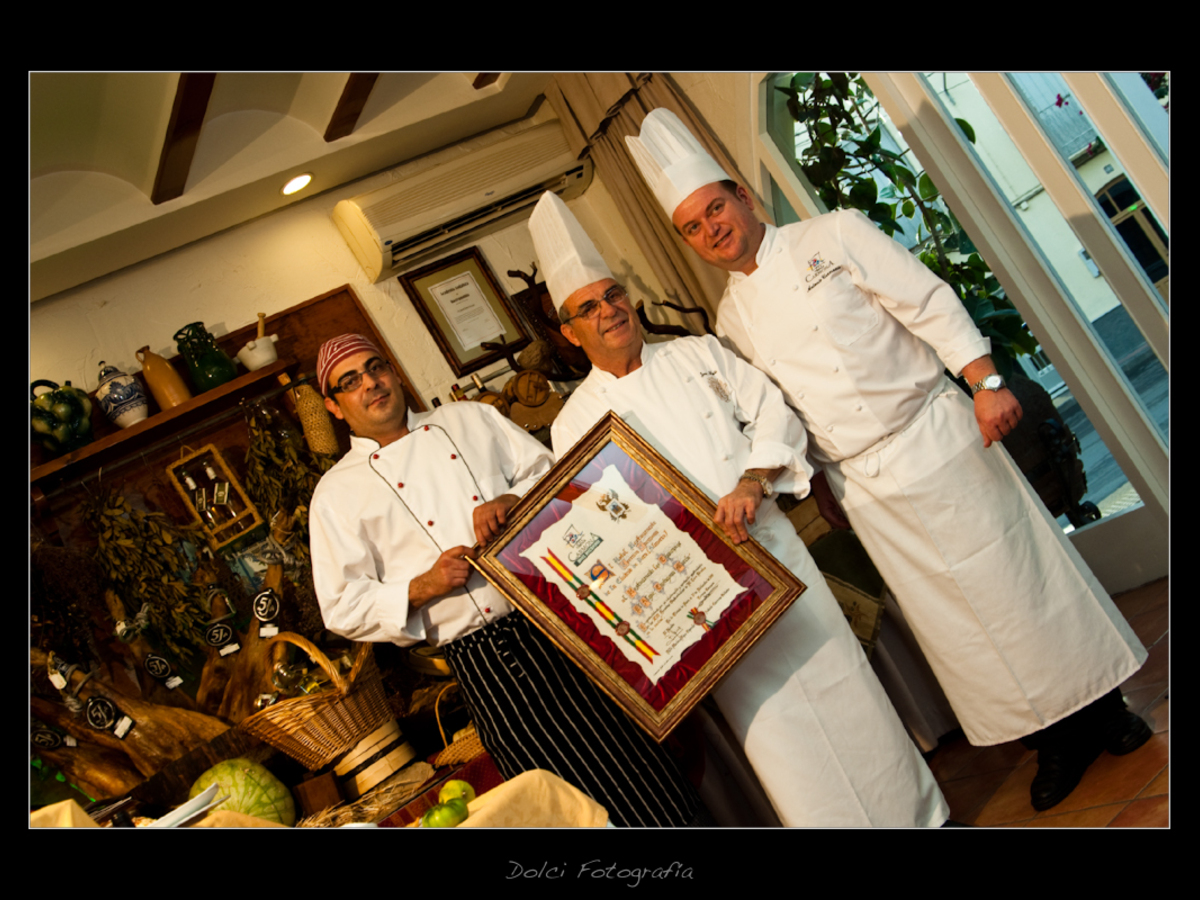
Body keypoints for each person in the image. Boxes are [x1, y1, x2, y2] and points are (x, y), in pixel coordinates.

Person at [627, 108, 1151, 811]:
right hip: (864, 485)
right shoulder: (730, 320)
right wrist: (812, 488)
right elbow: (776, 414)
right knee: (964, 629)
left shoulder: (833, 234)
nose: (710, 229)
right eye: (691, 227)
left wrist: (984, 381)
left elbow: (926, 300)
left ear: (743, 198)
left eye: (714, 208)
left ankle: (1107, 711)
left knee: (1023, 584)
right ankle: (1050, 743)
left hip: (935, 436)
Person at [531, 190, 948, 827]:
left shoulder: (699, 351)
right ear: (570, 332)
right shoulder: (574, 426)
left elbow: (772, 414)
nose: (608, 311)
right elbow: (605, 533)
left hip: (775, 551)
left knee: (851, 691)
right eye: (588, 308)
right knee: (781, 735)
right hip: (696, 600)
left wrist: (753, 483)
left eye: (613, 295)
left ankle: (925, 820)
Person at [308, 332, 706, 827]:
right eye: (351, 381)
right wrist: (421, 586)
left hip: (561, 615)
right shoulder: (337, 493)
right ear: (334, 405)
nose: (371, 383)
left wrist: (515, 503)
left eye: (375, 368)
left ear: (392, 371)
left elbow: (555, 474)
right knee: (559, 800)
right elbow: (341, 605)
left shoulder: (466, 419)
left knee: (645, 768)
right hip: (487, 661)